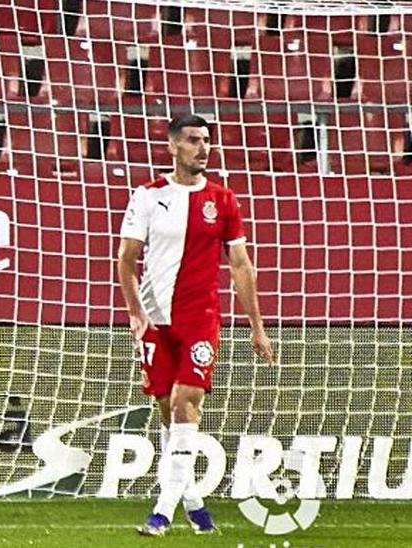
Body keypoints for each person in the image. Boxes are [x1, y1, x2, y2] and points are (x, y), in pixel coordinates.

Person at [117, 115, 274, 536]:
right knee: (170, 414)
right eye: (192, 140)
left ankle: (162, 512)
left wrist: (256, 326)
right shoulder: (148, 196)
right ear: (172, 146)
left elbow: (240, 265)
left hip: (200, 319)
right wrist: (135, 311)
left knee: (187, 404)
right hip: (155, 321)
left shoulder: (222, 200)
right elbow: (127, 260)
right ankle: (195, 504)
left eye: (206, 141)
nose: (202, 148)